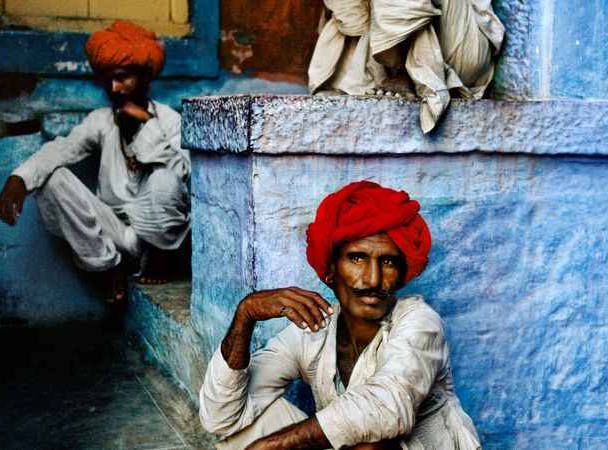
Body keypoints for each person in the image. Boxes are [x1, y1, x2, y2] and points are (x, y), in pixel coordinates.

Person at [200, 181, 480, 449]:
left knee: (371, 447)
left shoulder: (419, 321)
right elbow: (220, 418)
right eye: (356, 258)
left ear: (401, 275)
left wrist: (271, 446)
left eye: (387, 261)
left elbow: (388, 409)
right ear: (331, 270)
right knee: (244, 430)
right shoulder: (314, 332)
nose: (372, 279)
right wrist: (245, 315)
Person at [0, 20, 191, 302]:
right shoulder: (101, 120)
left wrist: (144, 128)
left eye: (123, 77)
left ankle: (161, 259)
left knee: (165, 179)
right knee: (51, 179)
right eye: (108, 80)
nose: (114, 88)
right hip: (113, 232)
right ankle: (111, 267)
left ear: (145, 78)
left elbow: (183, 175)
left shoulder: (170, 121)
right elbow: (62, 149)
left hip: (155, 241)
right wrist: (19, 179)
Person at [308, 0, 505, 133]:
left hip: (459, 47)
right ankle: (395, 68)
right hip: (378, 57)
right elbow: (352, 19)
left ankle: (407, 73)